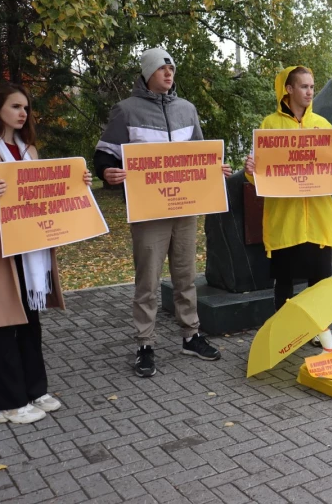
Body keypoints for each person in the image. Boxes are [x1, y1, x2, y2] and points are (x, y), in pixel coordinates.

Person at [0, 83, 91, 424]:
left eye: (26, 108)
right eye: (16, 106)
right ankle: (5, 404)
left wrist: (78, 182)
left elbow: (46, 192)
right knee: (4, 324)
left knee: (31, 320)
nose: (23, 113)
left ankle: (34, 389)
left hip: (31, 245)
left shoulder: (29, 149)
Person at [94, 48, 232, 378]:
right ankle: (145, 344)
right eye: (161, 68)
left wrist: (216, 169)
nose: (169, 73)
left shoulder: (187, 109)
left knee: (186, 276)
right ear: (146, 73)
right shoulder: (125, 111)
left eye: (171, 68)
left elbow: (200, 156)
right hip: (148, 211)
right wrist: (107, 174)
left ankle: (190, 335)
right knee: (148, 280)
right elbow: (104, 155)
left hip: (185, 209)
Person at [244, 66, 332, 352]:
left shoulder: (323, 125)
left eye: (311, 86)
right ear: (289, 90)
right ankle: (284, 332)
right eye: (303, 86)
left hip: (319, 219)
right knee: (284, 281)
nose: (309, 92)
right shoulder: (270, 125)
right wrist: (250, 170)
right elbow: (259, 174)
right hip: (285, 221)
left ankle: (319, 330)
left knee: (319, 281)